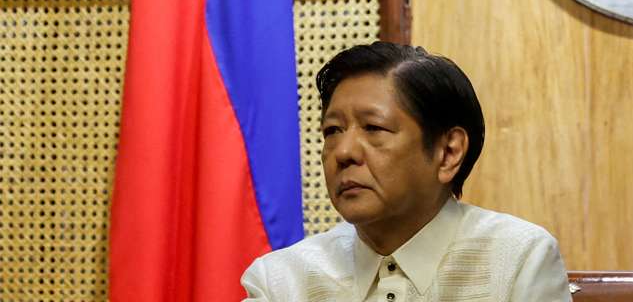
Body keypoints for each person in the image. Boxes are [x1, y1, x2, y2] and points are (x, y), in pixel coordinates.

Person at [241, 42, 572, 301]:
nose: (343, 152)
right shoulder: (281, 281)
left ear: (448, 153)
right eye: (332, 131)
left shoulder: (518, 260)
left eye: (373, 128)